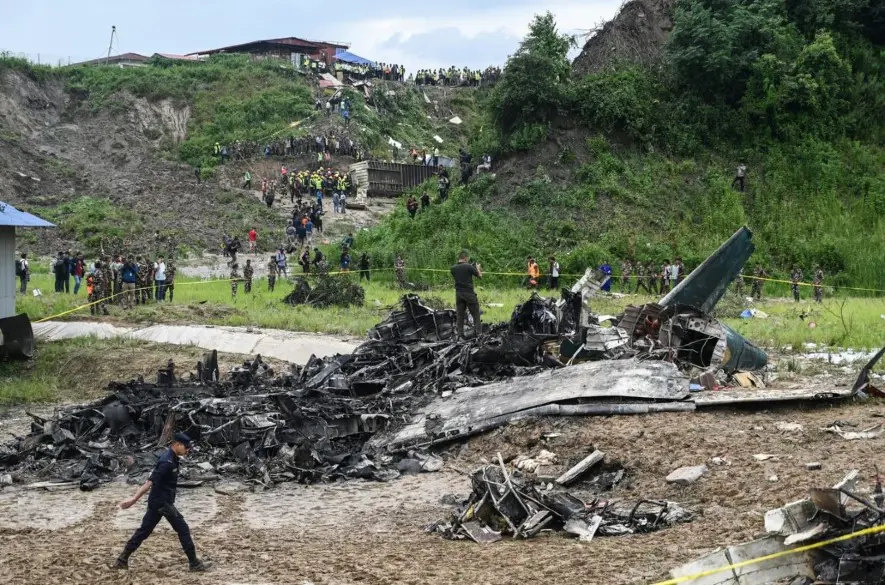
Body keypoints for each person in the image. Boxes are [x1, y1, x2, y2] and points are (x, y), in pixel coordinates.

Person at [114, 433, 211, 572]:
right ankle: (194, 563)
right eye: (186, 447)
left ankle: (122, 559)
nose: (188, 450)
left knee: (144, 531)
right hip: (162, 503)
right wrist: (133, 500)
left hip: (158, 501)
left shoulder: (173, 458)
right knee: (183, 529)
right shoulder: (167, 462)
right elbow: (149, 482)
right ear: (177, 444)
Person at [451, 251, 483, 340]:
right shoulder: (468, 266)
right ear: (465, 257)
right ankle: (479, 335)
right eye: (467, 258)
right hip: (469, 293)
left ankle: (460, 335)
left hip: (458, 294)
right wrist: (477, 268)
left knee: (460, 315)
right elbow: (480, 276)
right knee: (476, 314)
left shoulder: (453, 268)